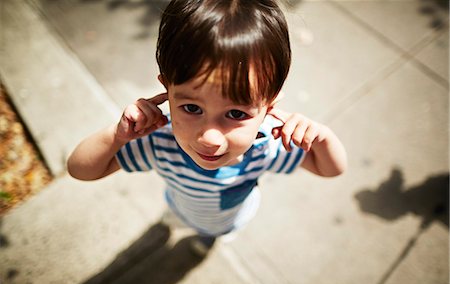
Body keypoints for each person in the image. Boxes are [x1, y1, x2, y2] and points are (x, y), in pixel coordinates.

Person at [67, 0, 347, 255]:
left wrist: (322, 138)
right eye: (191, 108)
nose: (210, 138)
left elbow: (330, 169)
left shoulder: (267, 147)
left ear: (268, 108)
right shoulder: (157, 143)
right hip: (180, 207)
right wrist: (117, 136)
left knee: (214, 234)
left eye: (236, 113)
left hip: (233, 216)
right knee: (177, 219)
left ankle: (209, 238)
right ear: (168, 89)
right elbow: (81, 169)